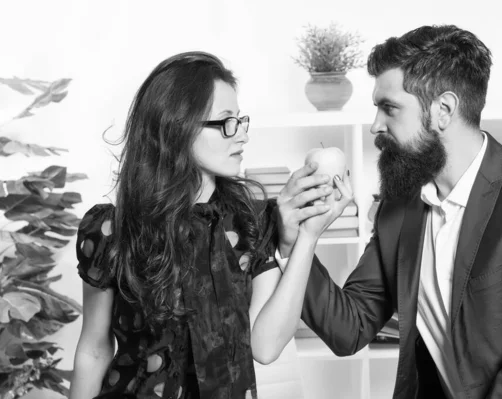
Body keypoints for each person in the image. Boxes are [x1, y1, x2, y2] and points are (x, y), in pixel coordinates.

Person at [276, 25, 502, 398]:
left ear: (443, 110)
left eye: (389, 108)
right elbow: (349, 328)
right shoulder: (399, 207)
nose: (375, 126)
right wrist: (296, 239)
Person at [69, 51, 350, 399]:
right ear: (177, 127)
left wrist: (307, 237)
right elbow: (94, 349)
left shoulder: (254, 220)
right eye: (226, 122)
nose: (242, 135)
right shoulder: (111, 228)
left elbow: (265, 346)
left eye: (241, 120)